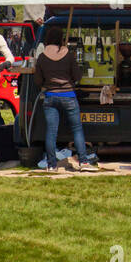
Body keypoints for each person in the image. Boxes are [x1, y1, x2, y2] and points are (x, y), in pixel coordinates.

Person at [34, 25, 95, 170]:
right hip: (68, 96)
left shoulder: (42, 57)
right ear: (61, 39)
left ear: (48, 39)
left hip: (50, 96)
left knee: (51, 131)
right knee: (77, 129)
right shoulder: (68, 55)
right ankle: (84, 162)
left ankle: (51, 165)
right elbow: (78, 76)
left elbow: (37, 81)